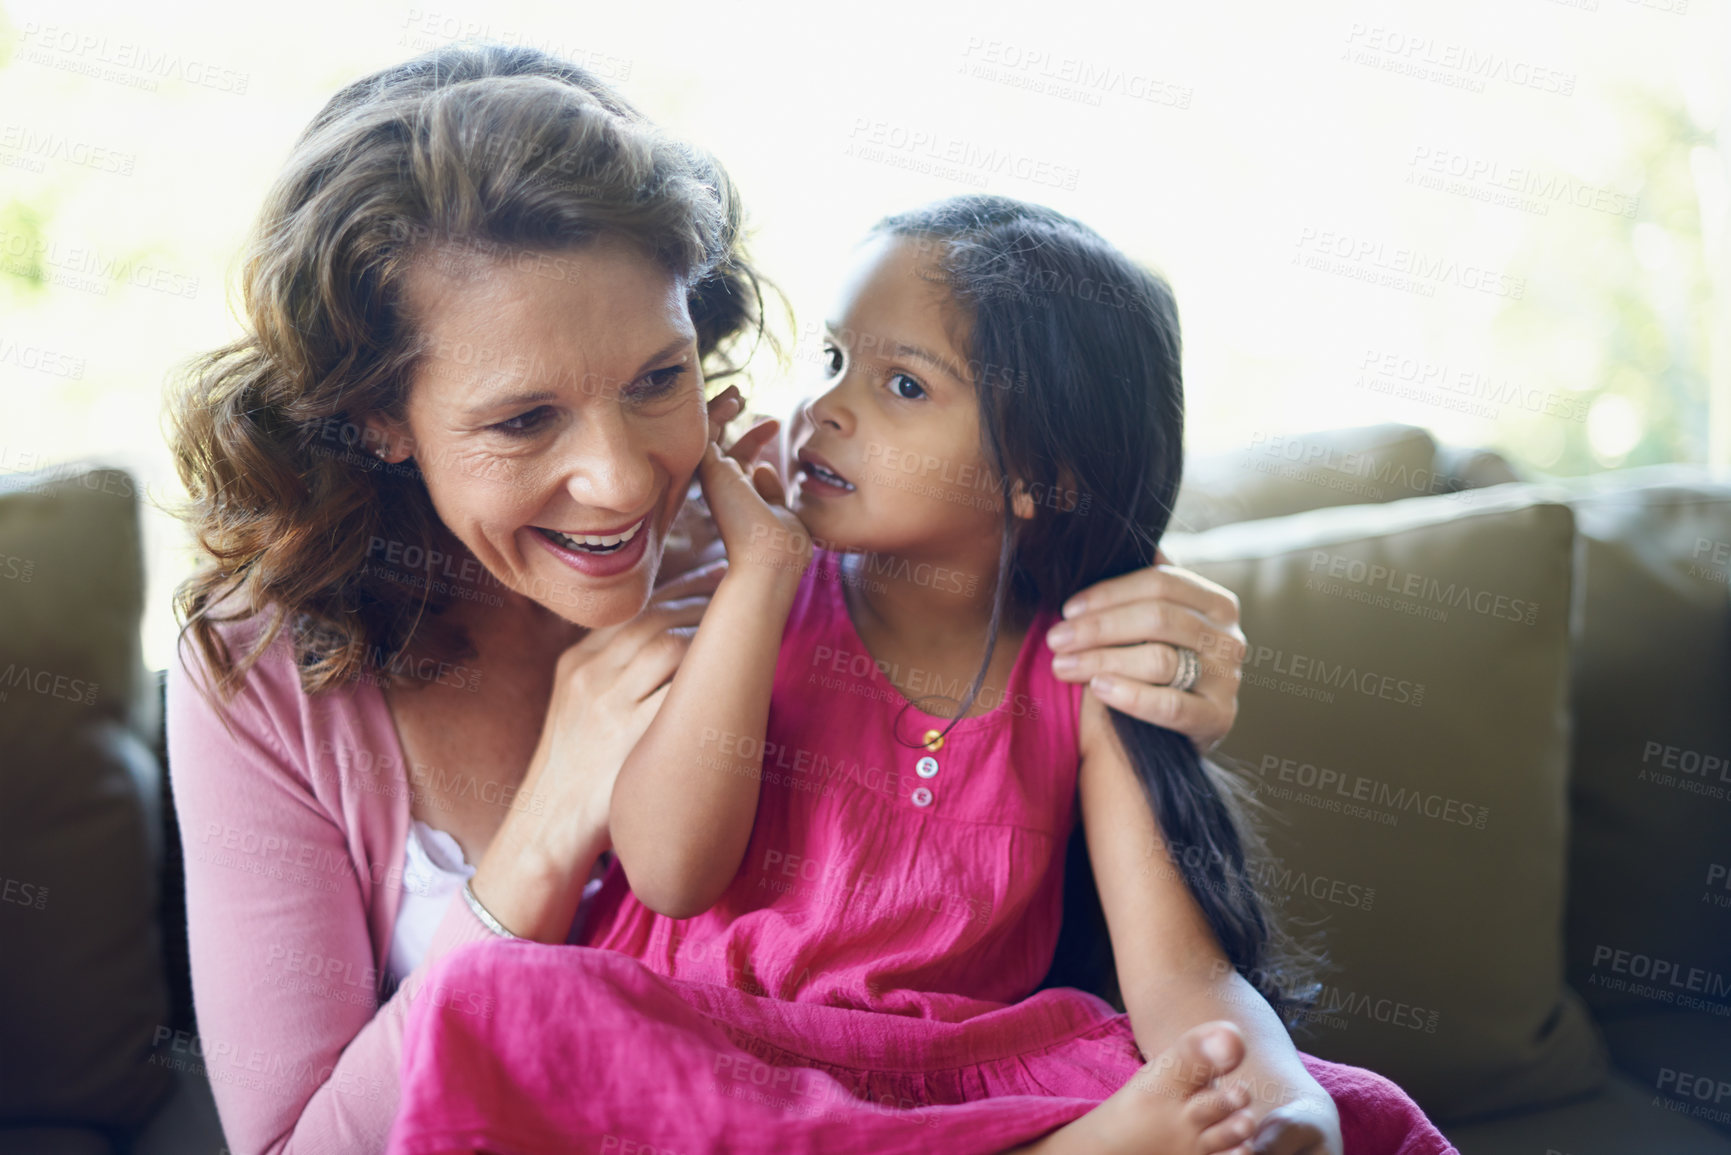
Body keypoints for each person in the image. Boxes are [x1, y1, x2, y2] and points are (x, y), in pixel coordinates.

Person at [162, 44, 1253, 1155]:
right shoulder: (259, 679)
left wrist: (1147, 653)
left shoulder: (794, 546)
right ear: (378, 415)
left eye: (657, 380)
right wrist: (547, 825)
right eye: (522, 420)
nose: (626, 481)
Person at [381, 199, 1452, 1153]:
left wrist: (1276, 1103)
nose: (832, 409)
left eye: (902, 384)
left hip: (949, 1093)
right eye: (833, 361)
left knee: (1361, 1110)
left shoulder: (1081, 672)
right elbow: (669, 872)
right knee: (495, 1002)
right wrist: (759, 579)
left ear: (1040, 473)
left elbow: (1185, 976)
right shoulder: (739, 591)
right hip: (714, 1060)